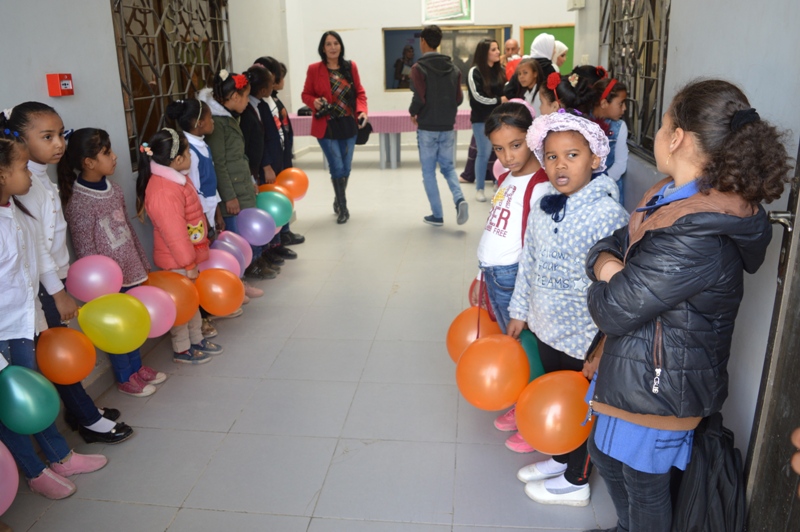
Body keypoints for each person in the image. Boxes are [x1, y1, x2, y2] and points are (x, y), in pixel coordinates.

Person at [584, 79, 790, 531]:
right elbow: (609, 245)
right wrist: (610, 266)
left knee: (643, 483)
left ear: (676, 137)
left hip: (662, 384)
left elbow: (612, 308)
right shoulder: (668, 196)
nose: (658, 135)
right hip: (635, 367)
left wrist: (609, 272)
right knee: (605, 455)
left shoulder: (699, 229)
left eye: (661, 126)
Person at [507, 109, 629, 506]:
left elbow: (618, 289)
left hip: (584, 336)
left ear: (595, 158)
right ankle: (561, 457)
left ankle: (577, 479)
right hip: (547, 327)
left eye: (572, 155)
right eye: (552, 156)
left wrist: (603, 344)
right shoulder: (543, 205)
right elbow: (529, 261)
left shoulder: (608, 215)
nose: (561, 165)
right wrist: (519, 310)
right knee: (557, 400)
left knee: (580, 407)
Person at [2, 103, 133, 444]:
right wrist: (57, 291)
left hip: (52, 281)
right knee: (56, 354)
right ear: (20, 140)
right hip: (41, 286)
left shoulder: (38, 176)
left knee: (57, 351)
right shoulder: (22, 182)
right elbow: (36, 246)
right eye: (47, 137)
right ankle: (87, 418)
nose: (59, 143)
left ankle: (80, 412)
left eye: (60, 134)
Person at [0, 130, 108, 499]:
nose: (29, 173)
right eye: (22, 167)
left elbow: (38, 257)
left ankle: (61, 457)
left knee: (36, 395)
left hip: (25, 322)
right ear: (2, 175)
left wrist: (55, 297)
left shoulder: (17, 210)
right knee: (10, 406)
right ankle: (34, 471)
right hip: (2, 333)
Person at [58, 128, 167, 402]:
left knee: (132, 321)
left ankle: (137, 368)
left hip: (130, 268)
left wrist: (142, 261)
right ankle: (125, 377)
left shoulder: (114, 190)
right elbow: (85, 251)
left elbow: (127, 227)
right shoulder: (79, 202)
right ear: (89, 162)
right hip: (107, 283)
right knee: (117, 327)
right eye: (107, 153)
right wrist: (99, 287)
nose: (115, 157)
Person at [135, 128, 223, 365]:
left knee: (191, 300)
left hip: (187, 258)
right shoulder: (164, 190)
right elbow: (175, 235)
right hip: (178, 261)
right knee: (181, 305)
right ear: (177, 159)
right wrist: (188, 263)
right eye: (188, 152)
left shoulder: (177, 180)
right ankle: (182, 349)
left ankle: (196, 340)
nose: (191, 155)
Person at [165, 98, 245, 336]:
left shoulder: (201, 144)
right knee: (197, 266)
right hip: (197, 218)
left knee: (206, 260)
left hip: (209, 212)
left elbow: (211, 185)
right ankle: (203, 314)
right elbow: (194, 191)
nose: (213, 122)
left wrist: (217, 211)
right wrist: (203, 219)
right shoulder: (188, 151)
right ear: (199, 123)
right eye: (210, 118)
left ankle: (212, 303)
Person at [200, 70, 275, 281]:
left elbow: (238, 156)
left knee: (246, 230)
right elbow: (218, 163)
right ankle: (239, 275)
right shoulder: (218, 124)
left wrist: (250, 180)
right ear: (234, 97)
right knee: (235, 237)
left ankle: (251, 265)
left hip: (241, 185)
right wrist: (229, 196)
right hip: (233, 192)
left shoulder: (230, 118)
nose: (247, 102)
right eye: (245, 97)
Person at [301, 30, 369, 224]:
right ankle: (343, 208)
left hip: (348, 124)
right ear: (323, 48)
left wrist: (362, 111)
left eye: (336, 43)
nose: (333, 47)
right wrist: (313, 102)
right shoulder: (314, 69)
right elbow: (305, 94)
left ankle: (337, 199)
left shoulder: (350, 67)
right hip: (326, 126)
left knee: (346, 167)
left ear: (341, 46)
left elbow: (360, 92)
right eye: (328, 44)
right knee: (337, 166)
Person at [409, 24, 468, 227]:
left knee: (428, 171)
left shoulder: (418, 68)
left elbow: (419, 97)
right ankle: (459, 199)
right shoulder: (454, 69)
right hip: (447, 126)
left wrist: (413, 112)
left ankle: (437, 215)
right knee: (448, 168)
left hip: (427, 127)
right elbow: (458, 99)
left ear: (423, 42)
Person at [249, 57, 301, 261]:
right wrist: (266, 164)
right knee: (270, 202)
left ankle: (279, 240)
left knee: (280, 197)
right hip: (268, 163)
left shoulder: (269, 101)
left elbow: (280, 131)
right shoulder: (256, 106)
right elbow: (261, 139)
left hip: (279, 157)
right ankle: (270, 246)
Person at [467, 38, 506, 202]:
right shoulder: (474, 72)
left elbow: (506, 91)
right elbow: (477, 97)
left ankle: (498, 184)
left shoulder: (501, 71)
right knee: (483, 153)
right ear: (485, 53)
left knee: (500, 153)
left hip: (500, 119)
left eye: (498, 49)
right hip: (481, 120)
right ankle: (480, 188)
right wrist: (498, 101)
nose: (498, 52)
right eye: (493, 49)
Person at [592, 77, 629, 204]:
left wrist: (599, 184)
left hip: (609, 192)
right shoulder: (583, 121)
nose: (624, 108)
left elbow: (620, 164)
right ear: (604, 103)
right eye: (621, 103)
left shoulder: (619, 127)